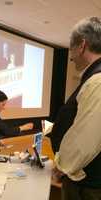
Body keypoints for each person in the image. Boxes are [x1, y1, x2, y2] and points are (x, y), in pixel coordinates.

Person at [49, 17, 101, 200]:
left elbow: (86, 137)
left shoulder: (97, 80)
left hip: (86, 186)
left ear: (82, 45)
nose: (70, 57)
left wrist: (62, 166)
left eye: (71, 48)